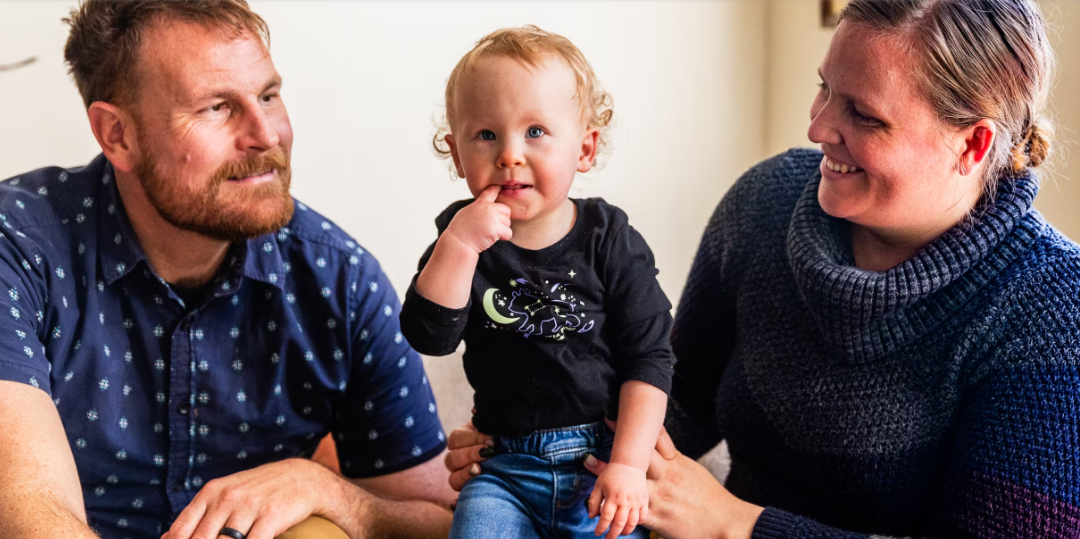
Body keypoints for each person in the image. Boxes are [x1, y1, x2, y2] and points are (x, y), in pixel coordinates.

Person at [445, 1, 1080, 538]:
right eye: (825, 86)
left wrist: (737, 524)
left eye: (864, 115)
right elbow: (677, 405)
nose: (817, 125)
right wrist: (530, 441)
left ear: (972, 144)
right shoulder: (765, 203)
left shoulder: (1051, 304)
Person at [0, 2, 456, 538]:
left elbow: (437, 521)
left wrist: (333, 493)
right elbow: (28, 517)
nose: (265, 134)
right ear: (117, 134)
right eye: (216, 107)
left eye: (268, 95)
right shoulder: (20, 245)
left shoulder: (341, 281)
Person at [399, 26, 674, 539]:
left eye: (535, 132)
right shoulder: (459, 236)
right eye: (486, 135)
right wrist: (459, 247)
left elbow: (651, 358)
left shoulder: (608, 238)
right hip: (501, 469)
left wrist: (631, 467)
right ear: (457, 155)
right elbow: (428, 336)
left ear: (585, 150)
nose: (509, 154)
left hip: (598, 464)